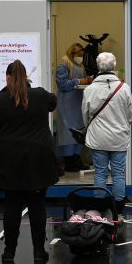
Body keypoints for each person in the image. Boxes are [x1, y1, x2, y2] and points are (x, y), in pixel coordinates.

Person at [0, 60, 59, 264]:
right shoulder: (40, 95)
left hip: (10, 160)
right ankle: (38, 251)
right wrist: (31, 88)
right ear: (26, 78)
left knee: (12, 206)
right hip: (38, 159)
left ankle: (9, 252)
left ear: (7, 77)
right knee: (37, 206)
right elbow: (53, 102)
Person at [82, 52, 132, 210]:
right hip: (118, 137)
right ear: (114, 65)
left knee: (100, 173)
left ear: (98, 66)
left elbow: (85, 115)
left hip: (97, 138)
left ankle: (99, 207)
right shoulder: (124, 88)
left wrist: (90, 128)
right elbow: (131, 115)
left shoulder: (90, 89)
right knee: (118, 173)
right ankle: (118, 208)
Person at [56, 43, 93, 172]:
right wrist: (78, 81)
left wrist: (88, 80)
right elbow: (62, 84)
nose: (81, 58)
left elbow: (84, 80)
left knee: (79, 131)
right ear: (72, 54)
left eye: (82, 55)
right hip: (67, 105)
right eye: (79, 55)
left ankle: (77, 159)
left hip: (78, 102)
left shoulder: (81, 66)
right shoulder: (64, 65)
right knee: (68, 132)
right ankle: (68, 161)